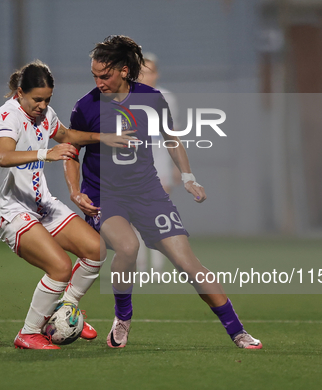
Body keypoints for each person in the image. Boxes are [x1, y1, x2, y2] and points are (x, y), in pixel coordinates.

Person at [64, 35, 262, 349]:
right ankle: (123, 317)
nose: (98, 82)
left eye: (105, 75)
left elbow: (172, 138)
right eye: (94, 76)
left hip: (147, 192)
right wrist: (75, 192)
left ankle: (238, 332)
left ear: (125, 70)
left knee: (188, 263)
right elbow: (70, 152)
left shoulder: (152, 99)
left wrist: (188, 177)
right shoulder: (85, 106)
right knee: (127, 248)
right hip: (104, 195)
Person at [0, 60, 132, 349]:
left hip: (41, 204)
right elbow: (4, 156)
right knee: (60, 267)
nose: (42, 105)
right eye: (37, 99)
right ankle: (28, 333)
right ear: (20, 93)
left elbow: (67, 136)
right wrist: (46, 153)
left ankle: (65, 311)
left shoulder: (46, 115)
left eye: (47, 99)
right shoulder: (8, 116)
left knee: (96, 250)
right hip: (12, 210)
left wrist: (102, 137)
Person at [135, 52, 181, 272]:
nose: (145, 76)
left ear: (157, 74)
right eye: (141, 71)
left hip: (159, 164)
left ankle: (158, 265)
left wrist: (177, 166)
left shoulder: (166, 97)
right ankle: (141, 264)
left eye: (149, 71)